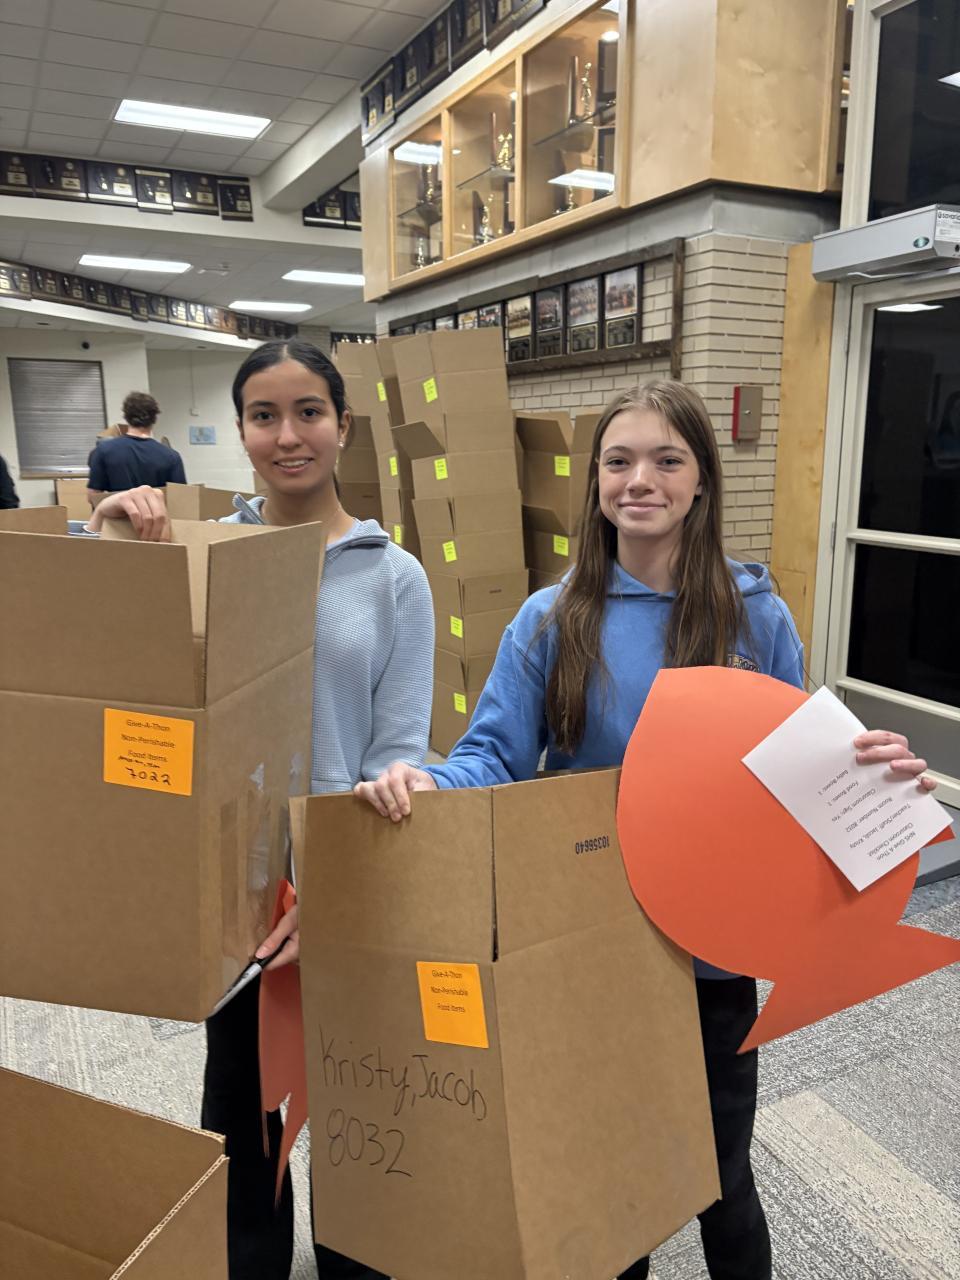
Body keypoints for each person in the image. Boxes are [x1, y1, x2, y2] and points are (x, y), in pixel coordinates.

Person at [355, 380, 935, 1280]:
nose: (641, 481)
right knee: (608, 1176)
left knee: (720, 1178)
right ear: (595, 481)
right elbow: (494, 755)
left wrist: (870, 771)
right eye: (619, 461)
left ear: (701, 481)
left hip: (712, 949)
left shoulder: (752, 613)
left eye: (667, 460)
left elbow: (798, 768)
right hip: (589, 943)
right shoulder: (552, 618)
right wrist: (424, 781)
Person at [87, 339, 434, 1280]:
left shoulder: (394, 576)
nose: (288, 436)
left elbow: (398, 748)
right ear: (239, 431)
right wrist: (109, 528)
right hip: (234, 884)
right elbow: (98, 653)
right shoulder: (203, 553)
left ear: (342, 425)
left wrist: (335, 885)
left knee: (359, 1107)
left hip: (348, 879)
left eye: (308, 412)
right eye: (264, 416)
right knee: (243, 1108)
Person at [86, 391, 185, 505]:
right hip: (156, 515)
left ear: (126, 417)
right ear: (154, 418)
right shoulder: (172, 456)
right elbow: (180, 499)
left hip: (116, 515)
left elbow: (93, 497)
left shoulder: (103, 450)